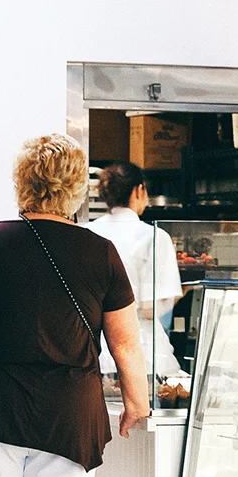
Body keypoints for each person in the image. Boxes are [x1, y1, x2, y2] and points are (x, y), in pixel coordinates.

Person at [0, 134, 150, 477]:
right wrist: (137, 401)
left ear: (21, 182)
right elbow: (125, 342)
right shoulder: (101, 252)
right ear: (76, 189)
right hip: (69, 413)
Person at [89, 161, 185, 379]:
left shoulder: (88, 233)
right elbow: (152, 308)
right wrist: (183, 293)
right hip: (142, 352)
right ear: (138, 190)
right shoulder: (154, 237)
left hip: (96, 353)